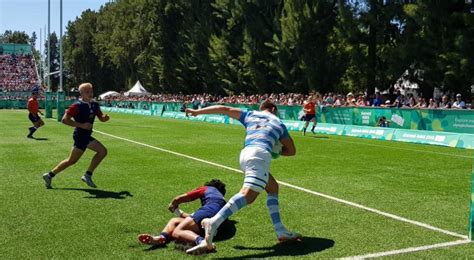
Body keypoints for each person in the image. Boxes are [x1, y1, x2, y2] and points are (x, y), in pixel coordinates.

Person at [184, 100, 300, 254]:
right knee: (248, 196)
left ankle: (280, 230)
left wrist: (196, 112)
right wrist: (277, 150)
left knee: (273, 187)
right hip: (260, 155)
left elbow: (223, 108)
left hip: (246, 154)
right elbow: (292, 151)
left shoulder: (250, 114)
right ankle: (214, 222)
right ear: (273, 109)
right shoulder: (278, 123)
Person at [42, 83, 110, 189]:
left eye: (91, 91)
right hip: (80, 136)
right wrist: (82, 125)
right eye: (87, 92)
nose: (90, 94)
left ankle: (50, 175)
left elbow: (101, 117)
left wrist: (104, 118)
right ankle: (86, 175)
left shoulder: (94, 104)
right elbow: (64, 120)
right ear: (81, 93)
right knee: (77, 159)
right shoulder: (76, 106)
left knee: (75, 160)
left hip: (86, 136)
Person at [138, 179, 227, 255]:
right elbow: (194, 218)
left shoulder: (207, 188)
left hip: (206, 215)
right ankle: (161, 238)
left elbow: (179, 199)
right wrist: (178, 212)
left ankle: (203, 242)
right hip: (218, 224)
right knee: (174, 221)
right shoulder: (220, 200)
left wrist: (173, 204)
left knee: (177, 231)